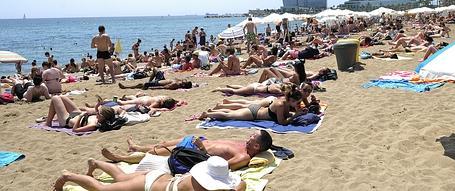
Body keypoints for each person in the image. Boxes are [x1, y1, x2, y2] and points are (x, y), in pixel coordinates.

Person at [102, 130, 272, 172]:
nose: (249, 136)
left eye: (253, 137)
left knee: (154, 155)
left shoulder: (243, 156)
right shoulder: (243, 144)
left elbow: (220, 167)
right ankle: (136, 147)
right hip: (199, 142)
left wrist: (202, 148)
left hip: (194, 152)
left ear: (257, 146)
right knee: (162, 145)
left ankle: (119, 157)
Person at [54, 156, 246, 191]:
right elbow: (240, 185)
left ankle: (96, 163)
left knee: (121, 177)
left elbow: (241, 183)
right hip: (148, 185)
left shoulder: (209, 182)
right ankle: (67, 176)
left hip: (160, 176)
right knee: (102, 189)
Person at [200, 88, 306, 125]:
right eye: (297, 102)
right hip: (254, 114)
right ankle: (208, 114)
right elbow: (282, 122)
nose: (298, 104)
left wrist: (297, 112)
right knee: (229, 115)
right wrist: (296, 115)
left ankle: (217, 108)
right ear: (291, 100)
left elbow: (286, 115)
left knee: (234, 112)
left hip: (257, 110)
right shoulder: (280, 104)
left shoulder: (285, 102)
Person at [43, 95, 115, 132]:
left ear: (102, 117)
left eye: (98, 113)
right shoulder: (99, 119)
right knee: (62, 97)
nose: (97, 114)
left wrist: (80, 117)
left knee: (55, 98)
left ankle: (48, 123)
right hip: (77, 113)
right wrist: (98, 104)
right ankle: (49, 119)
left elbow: (75, 130)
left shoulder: (93, 125)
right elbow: (97, 111)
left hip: (67, 120)